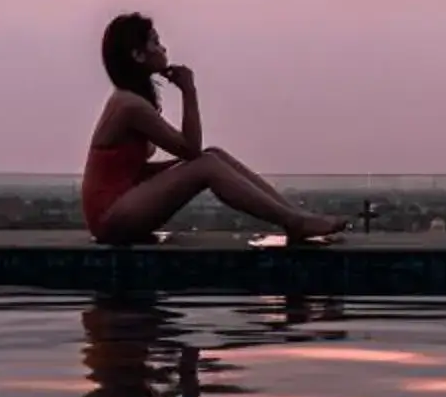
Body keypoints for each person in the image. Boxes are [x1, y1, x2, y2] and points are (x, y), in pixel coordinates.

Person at [80, 13, 345, 244]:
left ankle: (297, 218)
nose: (163, 48)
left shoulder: (131, 101)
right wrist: (188, 91)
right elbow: (190, 150)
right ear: (137, 55)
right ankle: (293, 221)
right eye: (155, 42)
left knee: (213, 154)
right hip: (110, 216)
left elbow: (139, 168)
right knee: (206, 164)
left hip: (123, 205)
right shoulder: (129, 105)